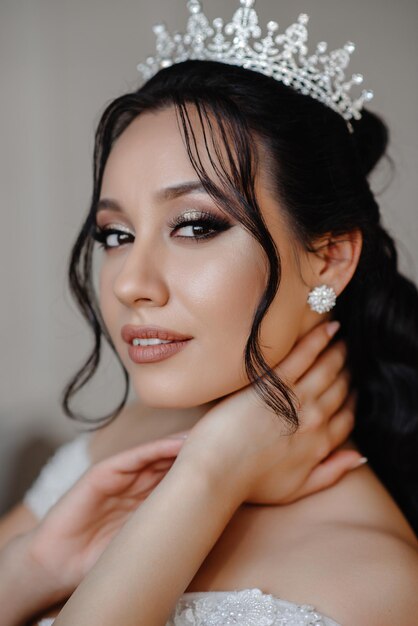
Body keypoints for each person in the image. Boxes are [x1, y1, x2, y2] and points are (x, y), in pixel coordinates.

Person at [1, 1, 418, 624]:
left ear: (329, 257)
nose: (130, 284)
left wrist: (208, 478)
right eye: (116, 235)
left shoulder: (375, 585)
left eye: (195, 226)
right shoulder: (121, 442)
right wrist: (33, 566)